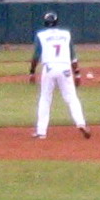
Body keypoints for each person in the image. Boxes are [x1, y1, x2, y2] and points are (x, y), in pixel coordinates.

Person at [30, 11, 91, 140]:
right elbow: (73, 57)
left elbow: (36, 56)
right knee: (72, 98)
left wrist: (32, 72)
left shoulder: (41, 35)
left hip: (49, 68)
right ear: (57, 22)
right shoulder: (66, 34)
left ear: (45, 23)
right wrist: (78, 74)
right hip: (65, 68)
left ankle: (41, 132)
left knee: (45, 99)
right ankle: (81, 123)